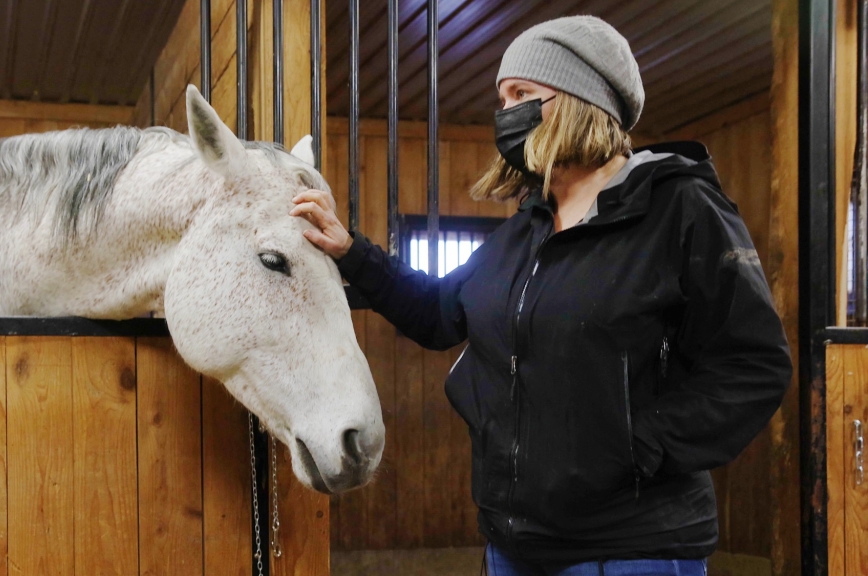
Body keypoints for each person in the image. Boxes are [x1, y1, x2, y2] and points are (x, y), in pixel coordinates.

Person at [290, 15, 791, 576]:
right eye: (502, 99)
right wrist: (351, 251)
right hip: (515, 545)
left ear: (581, 98)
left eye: (522, 93)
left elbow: (753, 365)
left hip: (631, 547)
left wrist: (640, 447)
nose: (507, 113)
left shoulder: (682, 210)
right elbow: (437, 314)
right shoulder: (526, 229)